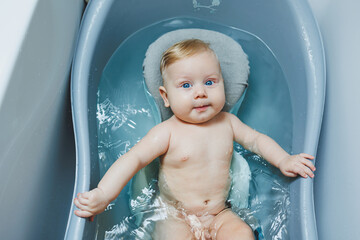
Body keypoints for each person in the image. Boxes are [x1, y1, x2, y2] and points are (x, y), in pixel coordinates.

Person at [74, 39, 315, 240]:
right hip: (175, 216)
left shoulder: (228, 123)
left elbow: (256, 141)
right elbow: (133, 159)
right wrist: (104, 194)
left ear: (222, 83)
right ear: (165, 96)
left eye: (210, 82)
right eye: (186, 85)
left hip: (220, 213)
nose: (200, 92)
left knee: (243, 234)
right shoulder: (166, 132)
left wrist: (284, 159)